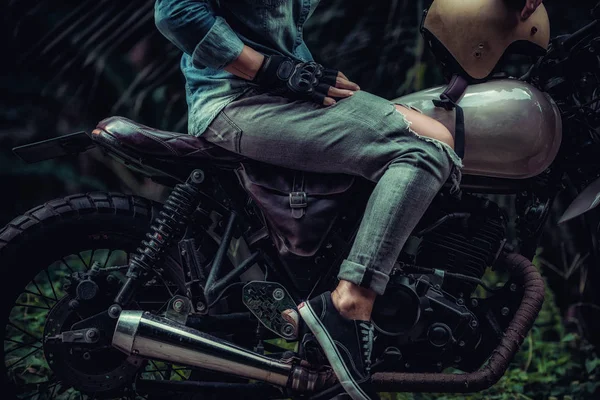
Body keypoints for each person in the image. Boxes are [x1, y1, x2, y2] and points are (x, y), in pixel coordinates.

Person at [153, 1, 543, 399]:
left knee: (432, 135)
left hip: (287, 94)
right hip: (239, 100)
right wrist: (274, 70)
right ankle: (349, 302)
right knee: (423, 148)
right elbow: (175, 12)